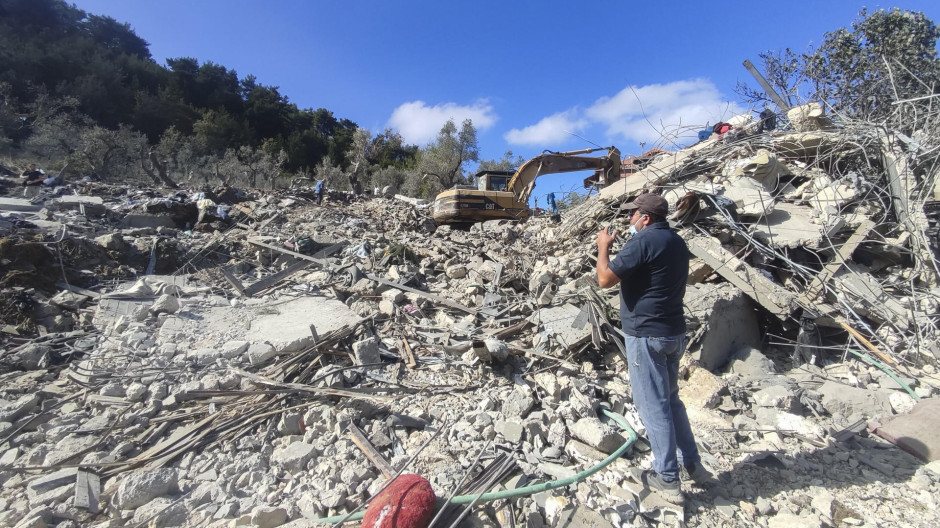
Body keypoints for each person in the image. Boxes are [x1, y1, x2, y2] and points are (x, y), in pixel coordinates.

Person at [595, 193, 713, 505]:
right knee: (672, 401)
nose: (628, 220)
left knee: (653, 405)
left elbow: (605, 279)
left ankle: (668, 478)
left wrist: (602, 247)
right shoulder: (676, 241)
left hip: (647, 335)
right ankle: (694, 466)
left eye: (632, 214)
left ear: (646, 218)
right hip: (673, 333)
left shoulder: (642, 242)